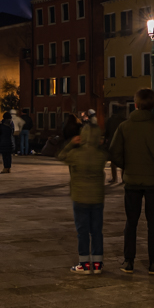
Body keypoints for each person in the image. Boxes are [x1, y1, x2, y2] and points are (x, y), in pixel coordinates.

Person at [109, 88, 154, 275]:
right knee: (153, 223)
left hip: (132, 181)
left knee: (131, 222)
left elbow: (114, 152)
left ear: (136, 105)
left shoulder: (124, 127)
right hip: (153, 183)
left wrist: (127, 166)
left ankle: (128, 261)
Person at [59, 116, 110, 274]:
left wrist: (71, 144)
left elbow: (61, 156)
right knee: (96, 231)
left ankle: (84, 264)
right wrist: (100, 145)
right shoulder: (100, 155)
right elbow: (108, 153)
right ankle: (98, 263)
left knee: (82, 231)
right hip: (97, 197)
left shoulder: (76, 154)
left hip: (80, 197)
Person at [0, 109, 15, 173]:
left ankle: (5, 167)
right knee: (9, 155)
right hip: (10, 141)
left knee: (4, 156)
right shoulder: (11, 124)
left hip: (3, 141)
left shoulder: (2, 124)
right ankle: (9, 168)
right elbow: (13, 132)